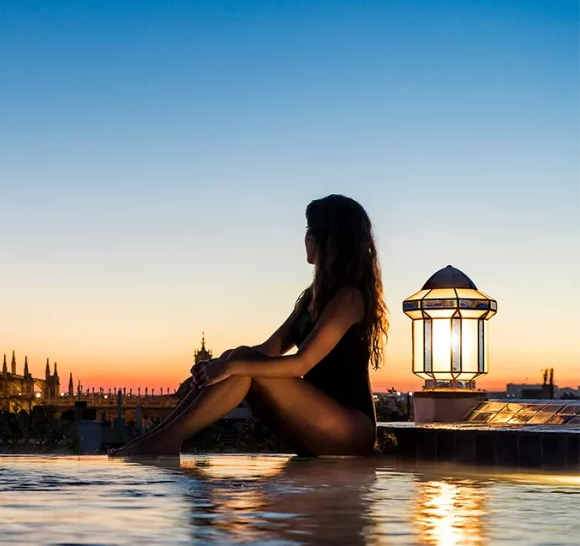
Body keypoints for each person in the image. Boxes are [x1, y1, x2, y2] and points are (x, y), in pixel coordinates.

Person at [111, 194, 388, 457]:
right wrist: (217, 365)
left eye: (311, 229)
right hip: (317, 416)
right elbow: (269, 349)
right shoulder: (311, 298)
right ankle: (160, 439)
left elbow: (301, 364)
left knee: (240, 361)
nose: (306, 237)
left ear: (331, 241)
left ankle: (164, 442)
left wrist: (231, 365)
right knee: (238, 356)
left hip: (350, 428)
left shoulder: (348, 297)